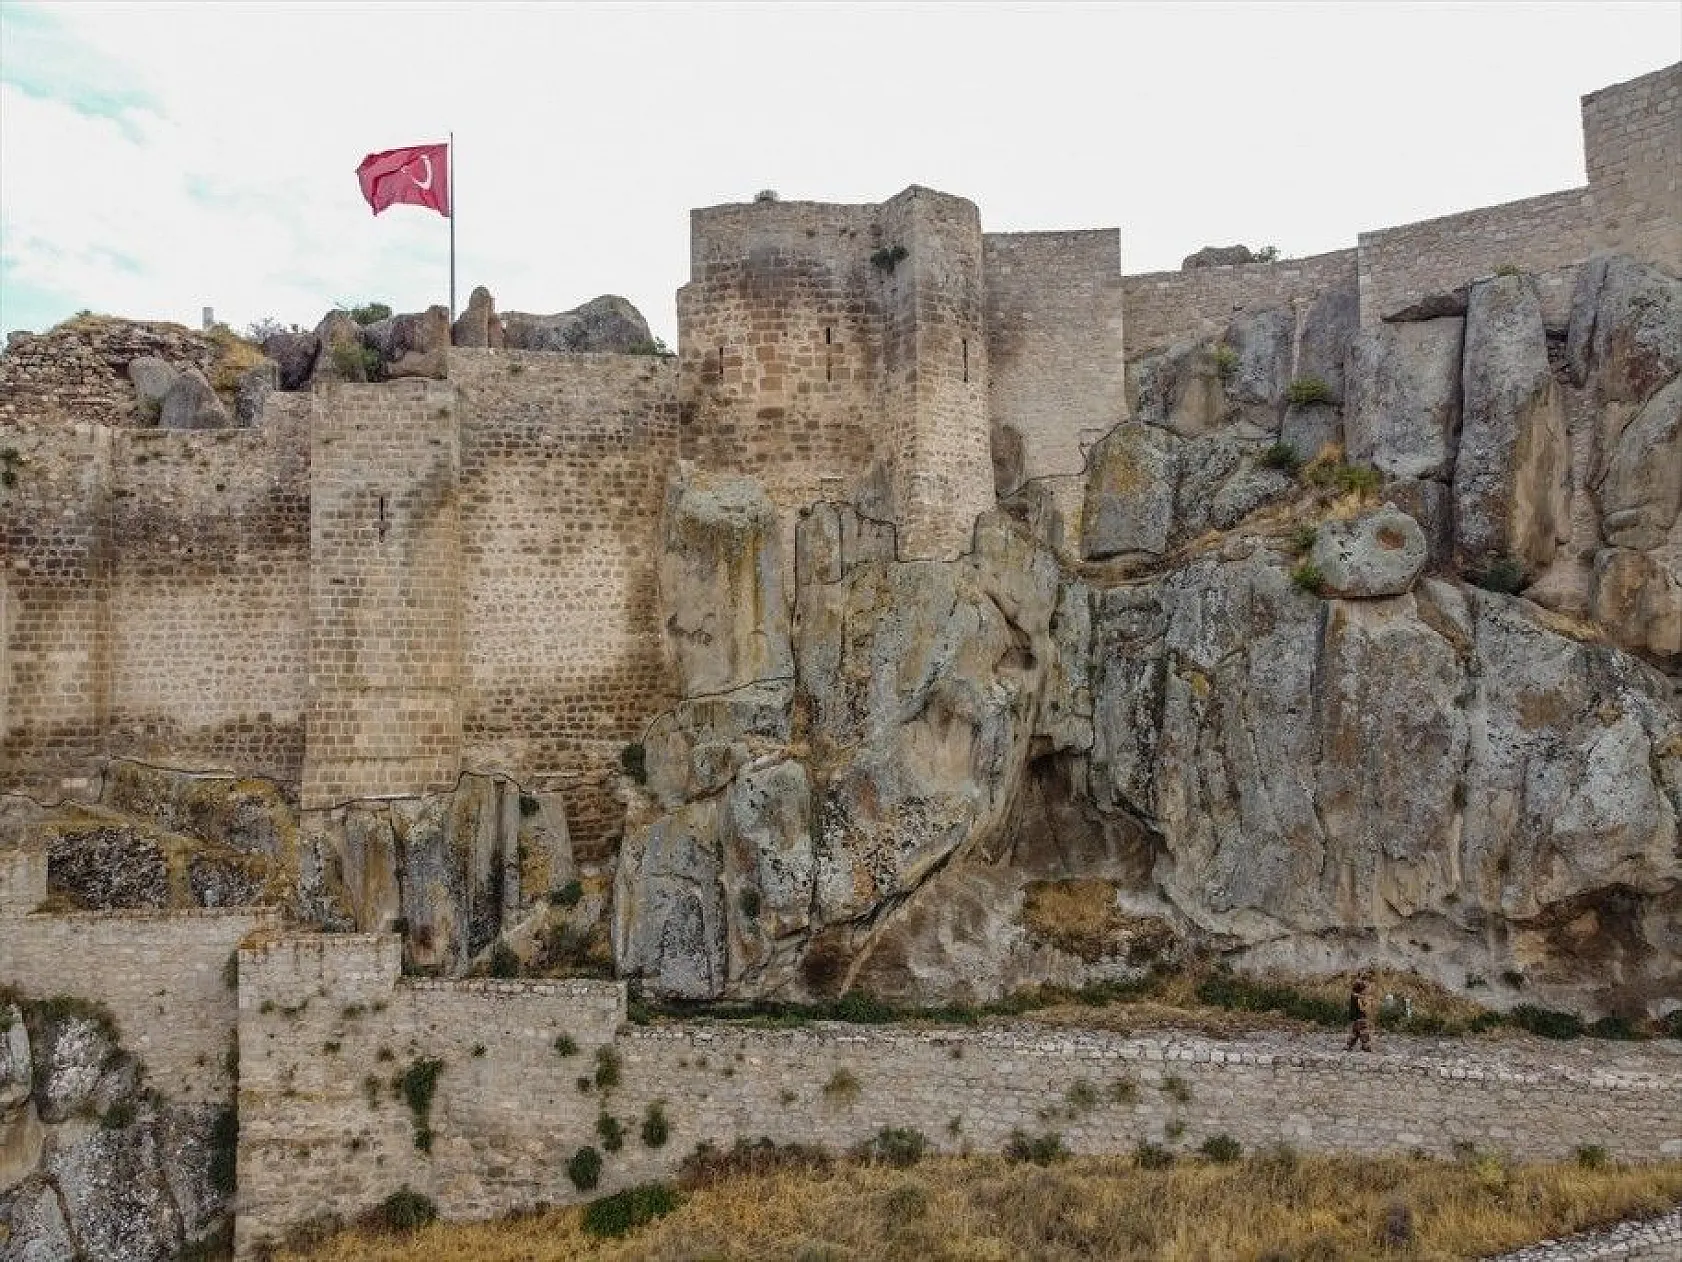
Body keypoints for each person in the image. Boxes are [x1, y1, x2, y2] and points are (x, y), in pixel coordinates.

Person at [1345, 977, 1374, 1052]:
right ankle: (1366, 1046)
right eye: (1365, 990)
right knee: (1364, 1032)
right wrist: (1367, 1003)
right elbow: (1362, 1008)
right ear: (1361, 990)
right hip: (1360, 1018)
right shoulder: (1359, 998)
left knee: (1355, 1033)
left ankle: (1349, 1046)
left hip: (1354, 1018)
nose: (1366, 991)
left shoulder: (1353, 996)